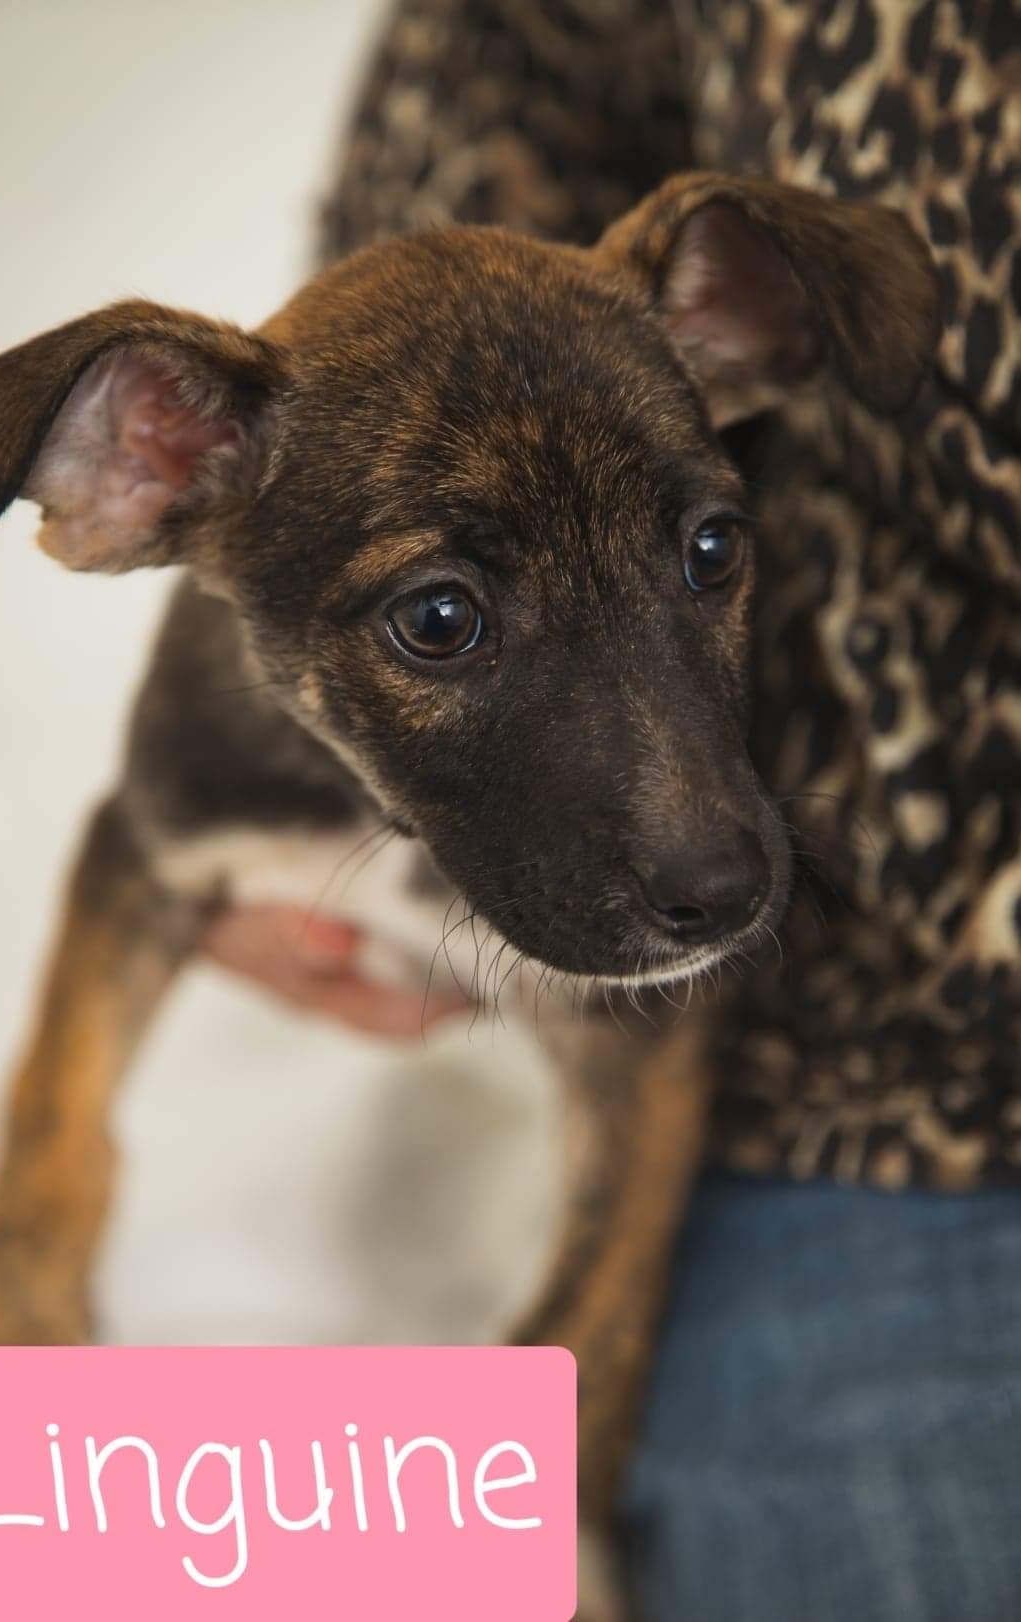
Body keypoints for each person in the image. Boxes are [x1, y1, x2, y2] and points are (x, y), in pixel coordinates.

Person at [205, 2, 1021, 1616]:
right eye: (438, 616)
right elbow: (486, 101)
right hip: (898, 1075)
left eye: (707, 556)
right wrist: (280, 487)